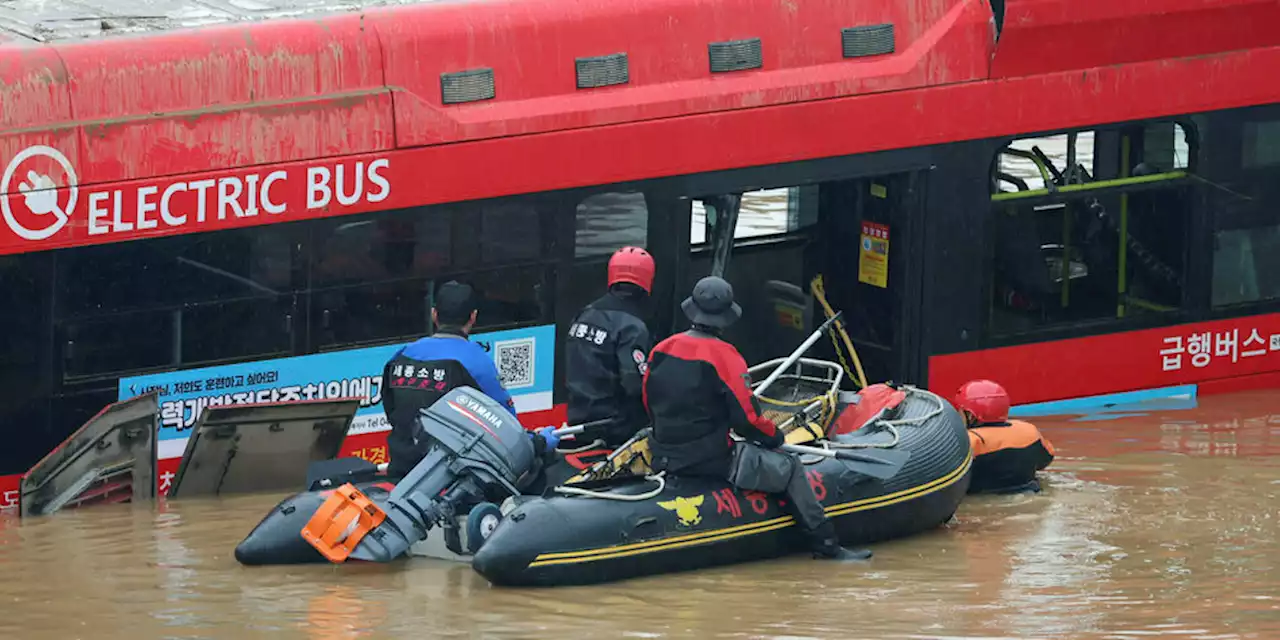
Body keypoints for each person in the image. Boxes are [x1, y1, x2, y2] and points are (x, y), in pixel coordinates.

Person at [643, 275, 871, 561]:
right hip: (711, 460)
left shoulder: (660, 349)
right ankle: (826, 545)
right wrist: (774, 437)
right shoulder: (726, 356)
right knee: (790, 467)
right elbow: (747, 421)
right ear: (726, 317)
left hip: (662, 454)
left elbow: (649, 403)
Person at [382, 280, 557, 477]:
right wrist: (539, 442)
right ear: (473, 317)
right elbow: (509, 431)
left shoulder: (402, 356)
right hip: (450, 482)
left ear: (434, 314)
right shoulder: (477, 362)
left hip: (401, 472)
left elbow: (393, 411)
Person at [564, 246, 656, 449]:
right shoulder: (633, 327)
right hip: (615, 428)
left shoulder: (585, 314)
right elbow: (635, 385)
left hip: (578, 418)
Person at [953, 379, 1056, 494]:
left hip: (983, 501)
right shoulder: (1029, 431)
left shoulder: (967, 441)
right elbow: (1045, 460)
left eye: (960, 411)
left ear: (970, 415)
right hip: (1029, 492)